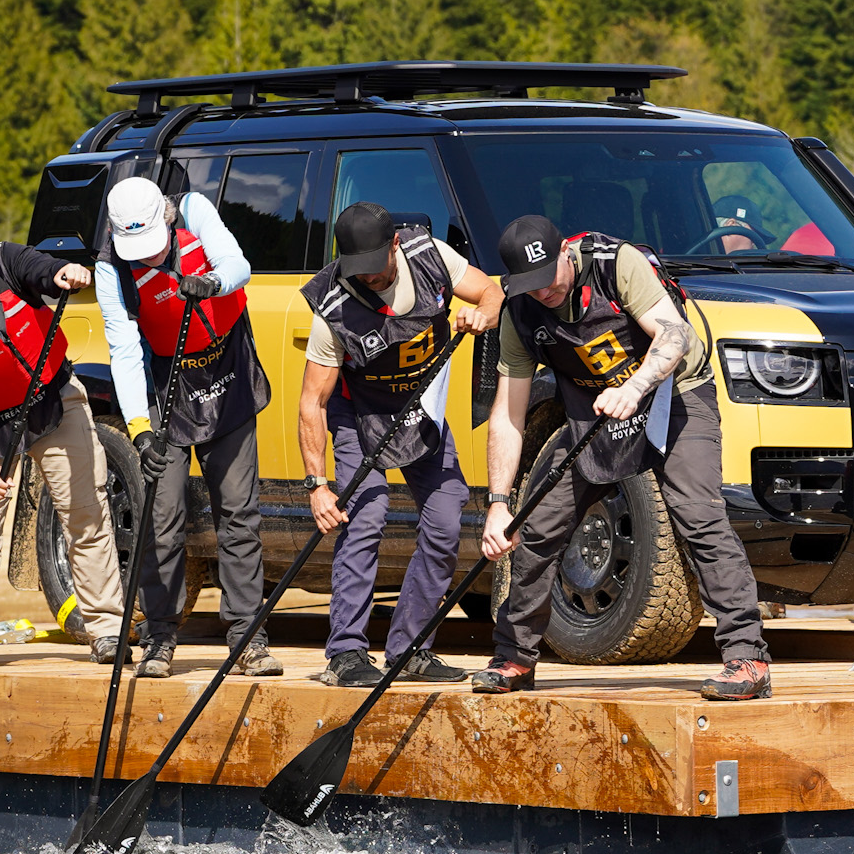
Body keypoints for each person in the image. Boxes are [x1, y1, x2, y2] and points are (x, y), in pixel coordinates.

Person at [476, 214, 771, 701]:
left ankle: (747, 658)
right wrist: (498, 502)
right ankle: (514, 658)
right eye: (529, 284)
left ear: (565, 256)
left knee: (699, 518)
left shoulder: (617, 265)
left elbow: (676, 336)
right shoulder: (520, 312)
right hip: (595, 413)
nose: (543, 291)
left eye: (548, 277)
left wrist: (635, 387)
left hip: (674, 396)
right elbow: (508, 414)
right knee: (536, 525)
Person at [299, 202, 504, 688]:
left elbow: (492, 291)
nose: (366, 278)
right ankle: (346, 653)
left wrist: (482, 315)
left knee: (447, 516)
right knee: (364, 518)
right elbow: (313, 401)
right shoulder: (332, 305)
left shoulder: (429, 255)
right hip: (360, 415)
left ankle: (411, 648)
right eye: (356, 269)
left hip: (419, 407)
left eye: (374, 267)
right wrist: (317, 486)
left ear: (394, 245)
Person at [96, 175, 280, 680]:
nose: (148, 259)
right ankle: (160, 636)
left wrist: (213, 283)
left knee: (238, 513)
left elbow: (238, 265)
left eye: (153, 246)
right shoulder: (111, 270)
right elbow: (125, 354)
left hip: (227, 369)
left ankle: (248, 637)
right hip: (166, 384)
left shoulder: (194, 209)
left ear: (166, 217)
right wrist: (141, 431)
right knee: (162, 517)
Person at [0, 245, 126, 670]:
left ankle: (106, 630)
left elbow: (43, 270)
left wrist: (64, 272)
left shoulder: (4, 262)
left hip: (52, 401)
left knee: (86, 512)